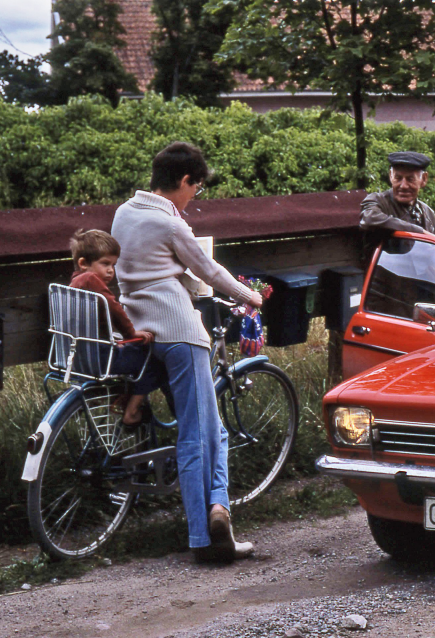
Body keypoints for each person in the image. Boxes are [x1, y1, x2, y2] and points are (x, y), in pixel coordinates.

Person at [111, 141, 264, 563]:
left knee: (212, 427)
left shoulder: (123, 213)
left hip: (140, 332)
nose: (195, 196)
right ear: (183, 181)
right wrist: (249, 295)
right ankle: (205, 539)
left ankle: (220, 508)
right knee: (196, 434)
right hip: (179, 332)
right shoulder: (173, 225)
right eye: (195, 188)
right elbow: (207, 269)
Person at [68, 229, 158, 428]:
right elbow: (113, 307)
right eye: (105, 264)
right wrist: (131, 333)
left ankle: (122, 399)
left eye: (113, 265)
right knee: (153, 360)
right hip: (100, 358)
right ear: (83, 264)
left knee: (131, 353)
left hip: (79, 356)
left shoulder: (75, 282)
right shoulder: (90, 280)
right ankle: (132, 412)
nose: (111, 270)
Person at [359, 151, 435, 236]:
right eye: (398, 178)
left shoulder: (428, 213)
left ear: (424, 179)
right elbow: (369, 219)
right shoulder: (377, 201)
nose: (403, 186)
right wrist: (419, 231)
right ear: (391, 176)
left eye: (410, 179)